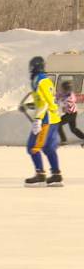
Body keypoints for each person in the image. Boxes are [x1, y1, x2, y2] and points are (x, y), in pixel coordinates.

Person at [22, 57, 63, 186]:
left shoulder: (39, 81)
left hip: (46, 119)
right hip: (53, 118)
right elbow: (45, 101)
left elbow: (44, 103)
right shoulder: (45, 80)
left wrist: (38, 120)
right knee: (49, 148)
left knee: (33, 147)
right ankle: (56, 175)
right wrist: (30, 106)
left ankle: (40, 174)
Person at [57, 80, 84, 146]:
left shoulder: (69, 97)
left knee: (57, 124)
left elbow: (61, 103)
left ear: (66, 89)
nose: (61, 89)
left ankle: (63, 140)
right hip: (72, 113)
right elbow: (59, 95)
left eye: (62, 88)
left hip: (71, 114)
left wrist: (57, 100)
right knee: (73, 129)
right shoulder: (67, 94)